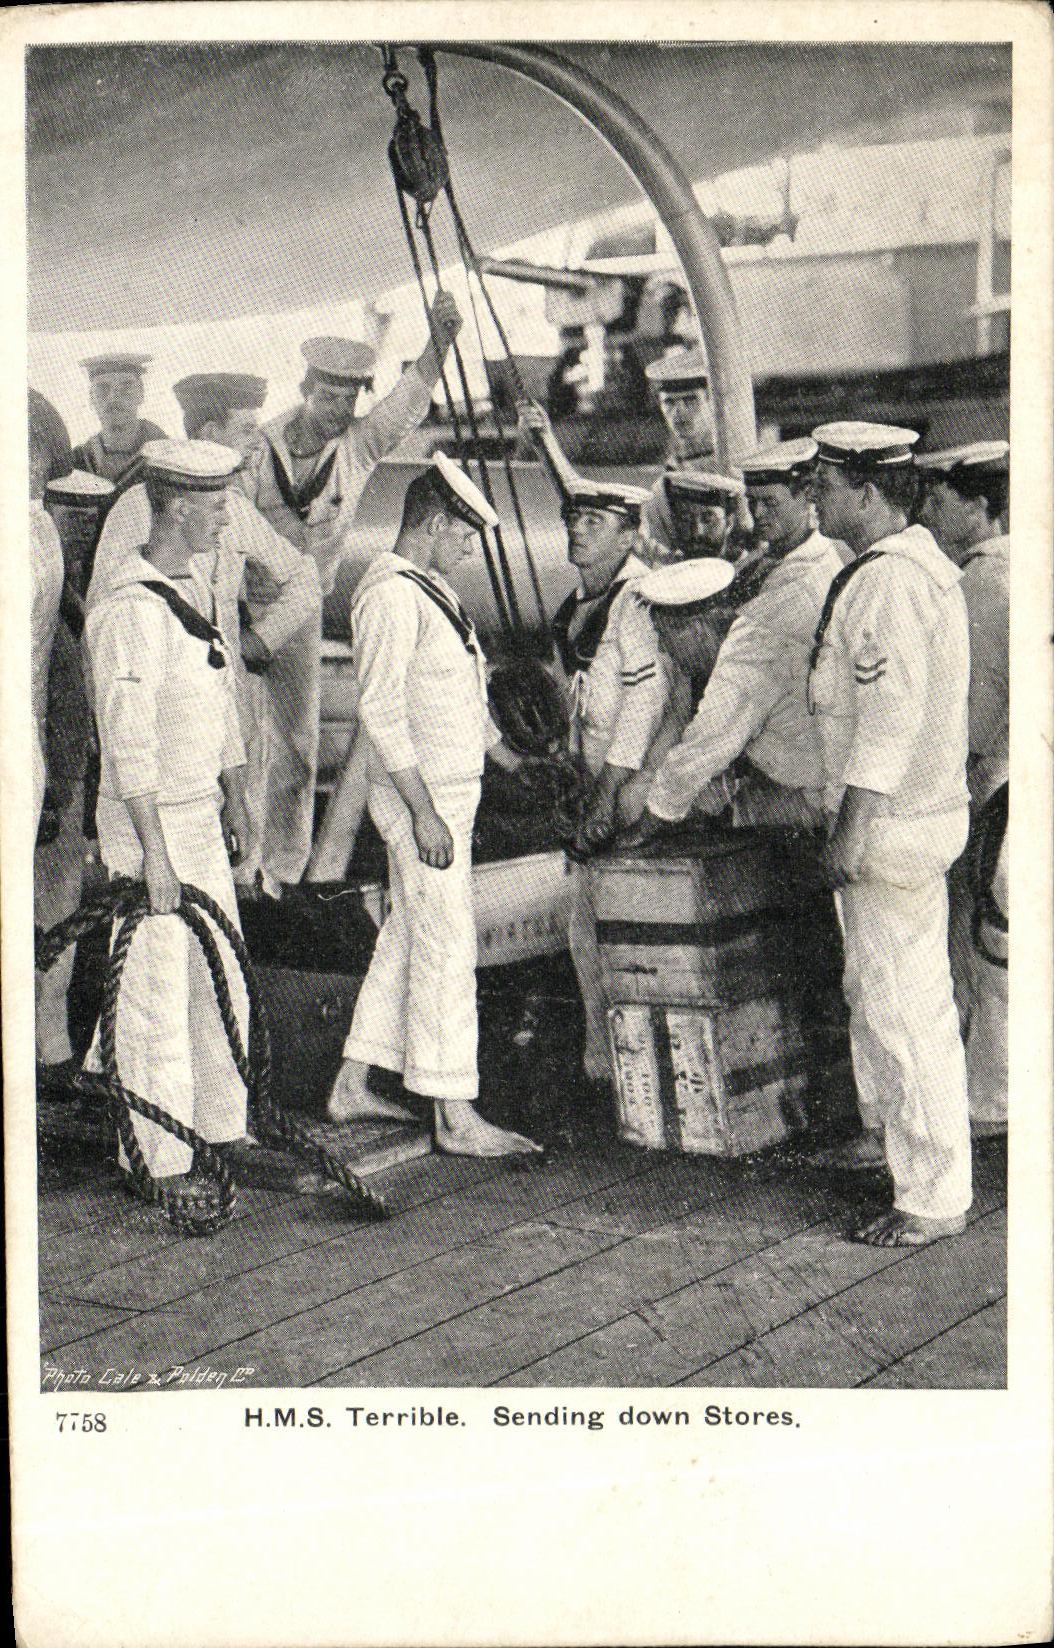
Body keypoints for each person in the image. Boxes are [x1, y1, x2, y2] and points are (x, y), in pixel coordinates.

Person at [325, 455, 541, 1157]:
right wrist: (421, 813)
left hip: (450, 793)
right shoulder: (389, 595)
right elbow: (382, 712)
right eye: (463, 534)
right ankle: (454, 1113)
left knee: (409, 935)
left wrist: (511, 758)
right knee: (447, 946)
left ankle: (353, 1083)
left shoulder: (429, 590)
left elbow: (458, 698)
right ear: (435, 522)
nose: (467, 548)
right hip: (423, 802)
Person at [808, 420, 972, 1247]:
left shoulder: (888, 585)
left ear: (868, 492)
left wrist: (849, 829)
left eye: (825, 483)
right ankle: (908, 1158)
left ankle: (932, 1198)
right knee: (891, 1001)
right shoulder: (907, 571)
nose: (814, 494)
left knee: (904, 1011)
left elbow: (889, 723)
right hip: (916, 819)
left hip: (892, 826)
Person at [82, 439, 255, 1201]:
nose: (226, 520)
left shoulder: (190, 587)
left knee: (215, 982)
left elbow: (217, 704)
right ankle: (157, 1160)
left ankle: (217, 1130)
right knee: (154, 990)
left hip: (198, 814)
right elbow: (128, 745)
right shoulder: (129, 606)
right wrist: (153, 856)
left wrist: (240, 796)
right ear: (177, 507)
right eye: (216, 508)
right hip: (148, 826)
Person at [89, 372, 323, 895]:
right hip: (156, 739)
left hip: (218, 712)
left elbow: (304, 577)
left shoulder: (232, 511)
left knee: (227, 871)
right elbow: (109, 643)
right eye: (244, 430)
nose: (256, 443)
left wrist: (258, 642)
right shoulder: (135, 515)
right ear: (209, 432)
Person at [623, 438, 847, 842]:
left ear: (807, 498)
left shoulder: (792, 591)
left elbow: (718, 724)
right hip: (801, 776)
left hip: (792, 800)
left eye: (771, 503)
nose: (758, 515)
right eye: (753, 502)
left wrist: (651, 820)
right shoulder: (812, 559)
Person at [544, 477, 669, 1083]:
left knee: (622, 927)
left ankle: (627, 1063)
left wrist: (609, 789)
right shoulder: (582, 598)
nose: (577, 530)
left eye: (595, 523)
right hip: (592, 776)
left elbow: (647, 698)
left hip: (626, 784)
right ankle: (605, 1056)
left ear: (629, 535)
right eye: (574, 519)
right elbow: (584, 688)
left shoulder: (636, 597)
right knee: (583, 925)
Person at [915, 440, 1009, 1136]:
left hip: (999, 794)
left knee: (986, 955)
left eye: (942, 500)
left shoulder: (978, 585)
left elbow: (973, 709)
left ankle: (993, 1104)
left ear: (979, 506)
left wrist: (967, 783)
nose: (930, 511)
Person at [640, 347, 720, 551]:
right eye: (669, 402)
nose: (679, 412)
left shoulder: (732, 464)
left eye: (690, 399)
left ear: (711, 401)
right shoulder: (663, 484)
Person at [71, 354, 166, 487]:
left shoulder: (168, 457)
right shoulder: (78, 462)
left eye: (126, 388)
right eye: (103, 388)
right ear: (91, 398)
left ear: (141, 394)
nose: (113, 398)